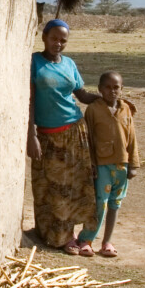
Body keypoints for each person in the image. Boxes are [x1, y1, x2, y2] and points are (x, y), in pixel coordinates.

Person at [26, 19, 100, 252]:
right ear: (44, 38)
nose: (58, 43)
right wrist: (32, 135)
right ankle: (53, 233)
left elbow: (82, 95)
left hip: (75, 131)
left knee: (75, 185)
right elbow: (28, 101)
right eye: (54, 38)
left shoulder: (68, 64)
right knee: (50, 186)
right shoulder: (34, 62)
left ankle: (73, 235)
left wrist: (106, 99)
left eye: (63, 40)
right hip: (47, 137)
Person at [77, 70, 139, 258]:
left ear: (122, 89)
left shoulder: (126, 109)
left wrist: (133, 163)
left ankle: (107, 242)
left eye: (116, 87)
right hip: (102, 165)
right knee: (99, 203)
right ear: (100, 89)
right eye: (108, 87)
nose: (112, 91)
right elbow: (89, 139)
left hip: (122, 163)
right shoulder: (94, 109)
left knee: (115, 203)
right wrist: (92, 164)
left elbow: (132, 137)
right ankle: (86, 239)